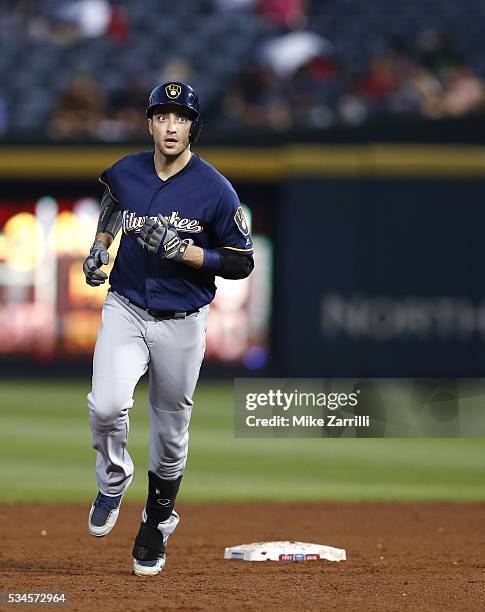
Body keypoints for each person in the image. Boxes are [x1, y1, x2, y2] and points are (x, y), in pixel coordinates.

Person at [83, 81, 254, 576]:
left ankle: (158, 518)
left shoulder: (216, 190)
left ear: (193, 126)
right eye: (163, 116)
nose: (171, 125)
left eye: (181, 117)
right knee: (106, 405)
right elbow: (114, 202)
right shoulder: (129, 170)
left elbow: (241, 261)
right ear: (151, 123)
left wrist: (187, 251)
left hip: (182, 319)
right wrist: (100, 245)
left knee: (171, 430)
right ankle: (113, 481)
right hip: (127, 306)